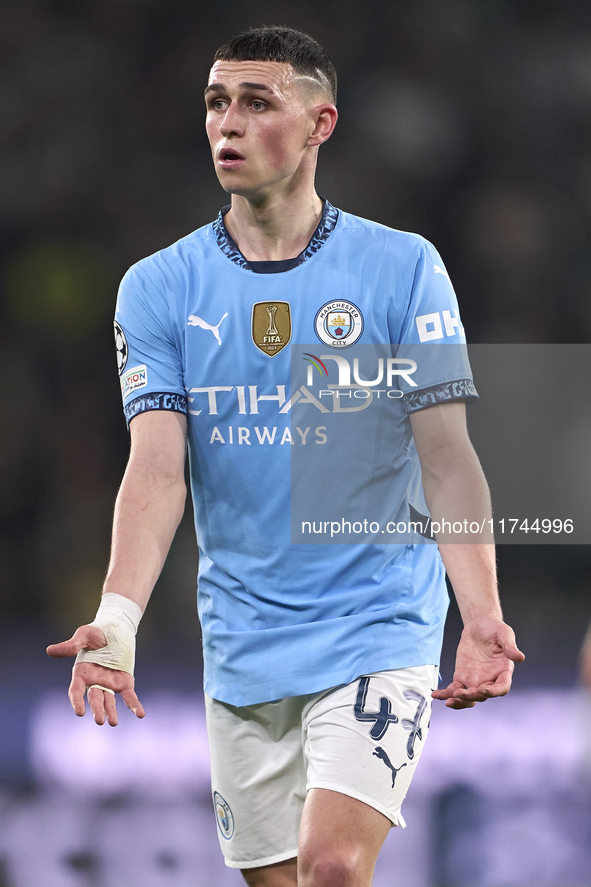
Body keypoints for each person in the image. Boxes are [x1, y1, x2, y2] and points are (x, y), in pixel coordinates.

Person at [47, 26, 524, 887]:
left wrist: (480, 611)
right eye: (215, 103)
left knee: (334, 867)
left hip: (376, 623)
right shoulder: (158, 285)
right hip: (242, 638)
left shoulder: (402, 268)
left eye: (256, 102)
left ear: (318, 124)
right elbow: (155, 469)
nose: (227, 122)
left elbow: (446, 456)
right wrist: (116, 621)